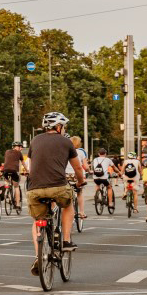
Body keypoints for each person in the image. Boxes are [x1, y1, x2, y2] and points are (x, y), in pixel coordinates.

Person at [27, 111, 86, 275]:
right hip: (58, 187)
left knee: (37, 220)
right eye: (63, 125)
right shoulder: (66, 142)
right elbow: (78, 168)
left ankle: (38, 254)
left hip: (34, 189)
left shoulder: (34, 140)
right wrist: (80, 182)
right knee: (68, 204)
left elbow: (31, 166)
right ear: (59, 127)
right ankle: (66, 240)